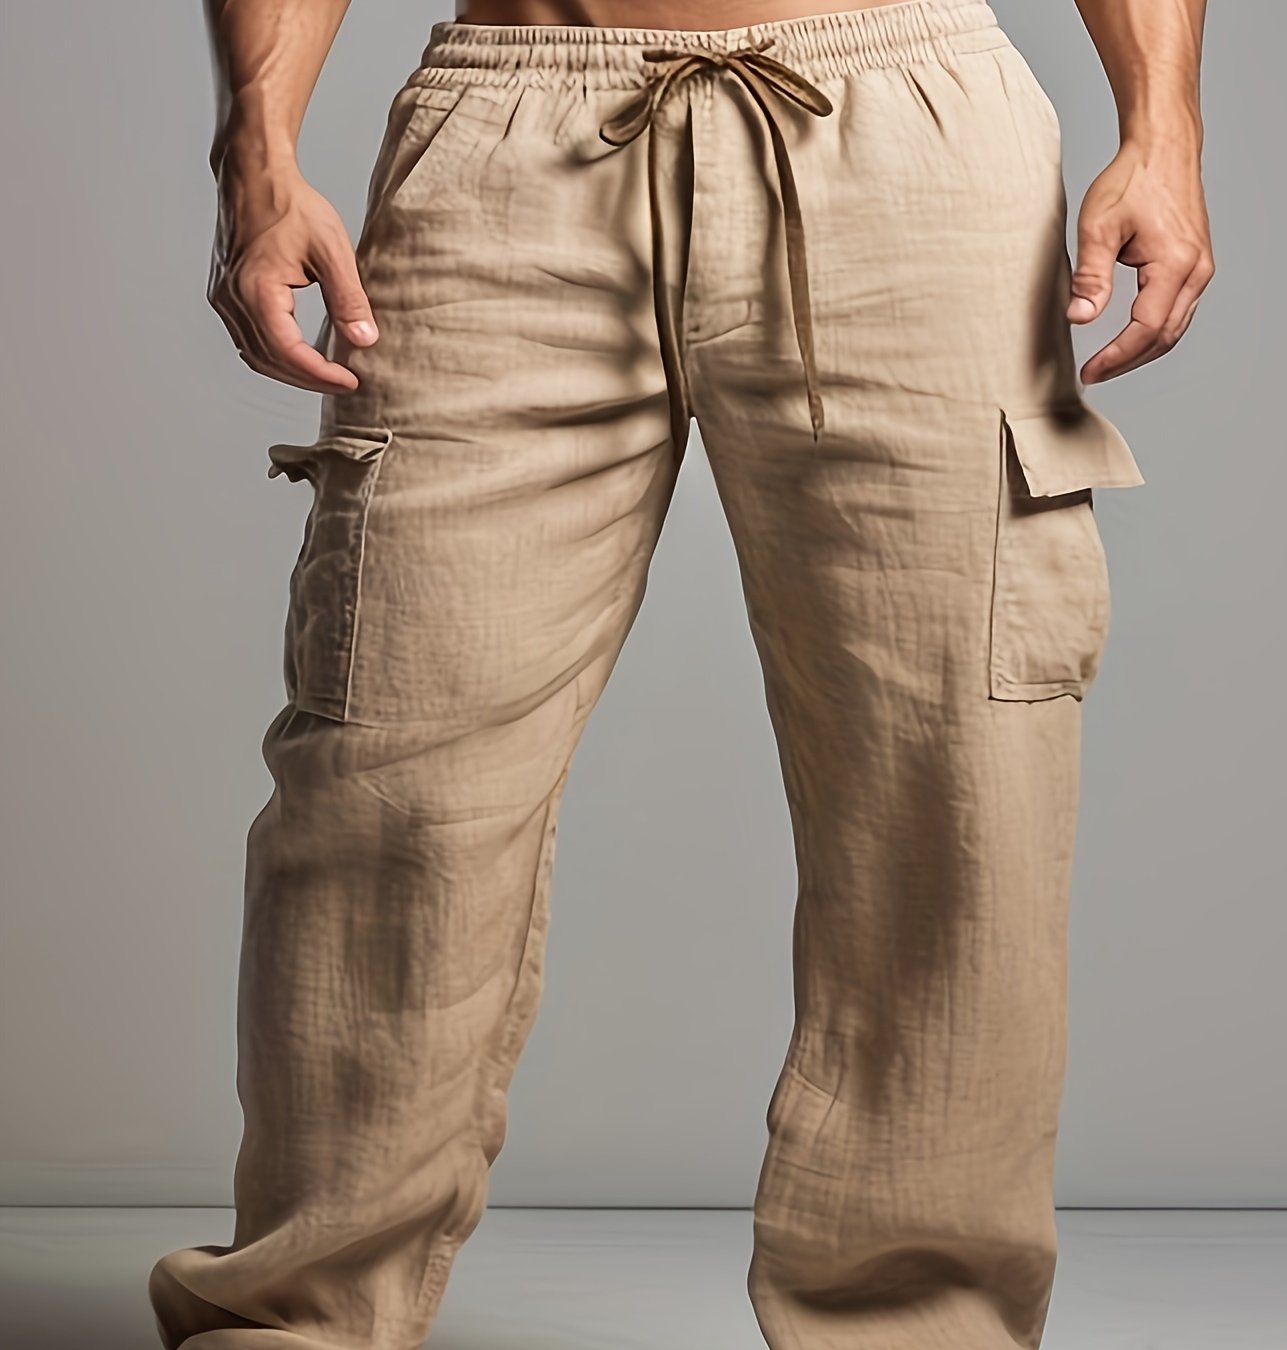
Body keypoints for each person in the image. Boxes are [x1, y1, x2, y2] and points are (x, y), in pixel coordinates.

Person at [149, 0, 1212, 1347]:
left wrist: (1162, 129)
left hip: (904, 124)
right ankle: (299, 1316)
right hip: (518, 126)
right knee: (385, 769)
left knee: (956, 780)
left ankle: (919, 1326)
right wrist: (256, 145)